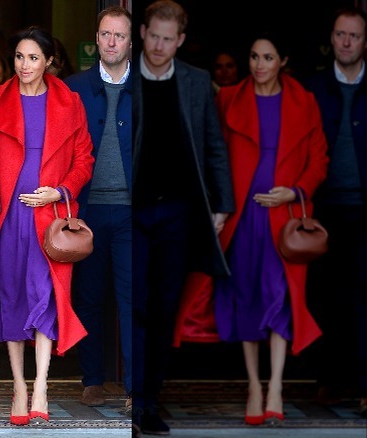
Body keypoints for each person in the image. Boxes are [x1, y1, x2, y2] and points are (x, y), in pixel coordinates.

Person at [0, 25, 94, 427]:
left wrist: (59, 192)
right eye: (20, 57)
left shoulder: (70, 102)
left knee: (44, 296)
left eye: (33, 58)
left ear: (49, 62)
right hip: (6, 217)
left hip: (48, 218)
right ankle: (20, 386)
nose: (24, 65)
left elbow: (84, 160)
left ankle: (41, 384)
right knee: (10, 297)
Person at [175, 29, 328, 427]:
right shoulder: (228, 99)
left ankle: (275, 384)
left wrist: (294, 192)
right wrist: (220, 206)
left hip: (283, 217)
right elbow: (214, 158)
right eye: (255, 57)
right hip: (242, 218)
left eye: (268, 58)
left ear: (283, 62)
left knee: (280, 296)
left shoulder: (304, 101)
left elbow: (318, 159)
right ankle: (254, 386)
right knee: (245, 296)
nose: (259, 65)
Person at [131, 1, 235, 436]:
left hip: (177, 212)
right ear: (142, 32)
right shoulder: (122, 74)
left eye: (167, 39)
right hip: (130, 212)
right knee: (132, 304)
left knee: (164, 309)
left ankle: (150, 402)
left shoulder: (196, 81)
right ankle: (129, 398)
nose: (158, 45)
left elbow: (213, 144)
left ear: (180, 41)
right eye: (153, 35)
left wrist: (221, 203)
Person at [64, 5, 132, 411]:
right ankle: (91, 380)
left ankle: (134, 386)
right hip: (85, 210)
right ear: (96, 38)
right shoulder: (73, 87)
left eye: (119, 36)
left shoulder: (146, 86)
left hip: (130, 212)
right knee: (87, 298)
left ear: (129, 41)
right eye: (105, 34)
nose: (110, 42)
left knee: (130, 297)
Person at [304, 6, 367, 417]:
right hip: (323, 208)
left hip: (364, 209)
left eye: (354, 36)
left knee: (363, 297)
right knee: (324, 297)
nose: (346, 42)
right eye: (341, 35)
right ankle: (327, 380)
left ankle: (363, 385)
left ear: (365, 42)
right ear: (333, 38)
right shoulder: (313, 88)